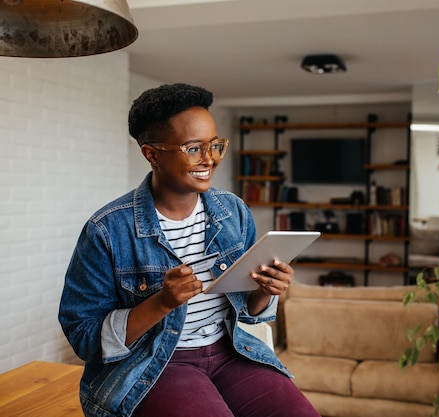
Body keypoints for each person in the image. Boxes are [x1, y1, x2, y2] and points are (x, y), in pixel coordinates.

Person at [58, 83, 321, 417]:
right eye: (193, 148)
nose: (209, 159)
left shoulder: (232, 211)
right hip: (155, 362)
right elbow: (84, 338)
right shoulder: (107, 230)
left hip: (232, 351)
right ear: (152, 153)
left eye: (214, 145)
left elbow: (250, 310)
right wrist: (162, 302)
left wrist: (267, 290)